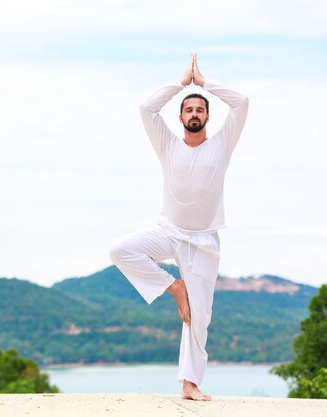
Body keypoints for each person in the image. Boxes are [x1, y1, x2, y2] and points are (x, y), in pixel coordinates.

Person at [109, 53, 249, 401]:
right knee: (121, 250)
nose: (195, 114)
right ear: (181, 116)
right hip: (169, 232)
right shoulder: (167, 143)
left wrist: (204, 84)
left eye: (200, 110)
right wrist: (179, 83)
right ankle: (175, 288)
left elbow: (242, 103)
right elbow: (146, 108)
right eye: (189, 110)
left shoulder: (222, 144)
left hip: (204, 242)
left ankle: (189, 383)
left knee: (199, 318)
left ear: (208, 116)